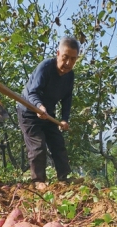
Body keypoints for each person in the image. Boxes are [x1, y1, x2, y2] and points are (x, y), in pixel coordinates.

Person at [17, 36, 80, 191]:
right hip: (29, 111)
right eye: (65, 58)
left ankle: (64, 178)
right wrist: (39, 106)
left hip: (48, 114)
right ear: (58, 53)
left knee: (58, 143)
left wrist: (65, 119)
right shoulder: (45, 67)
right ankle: (38, 181)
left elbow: (67, 99)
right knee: (38, 145)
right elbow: (32, 93)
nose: (68, 63)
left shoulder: (69, 76)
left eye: (73, 59)